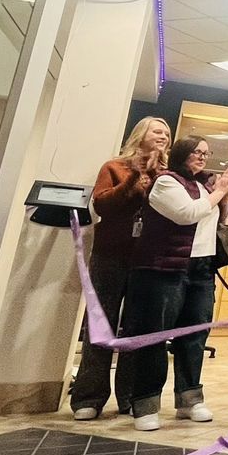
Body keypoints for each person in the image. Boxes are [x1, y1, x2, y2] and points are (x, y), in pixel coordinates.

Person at [122, 135, 228, 431]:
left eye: (206, 153)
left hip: (202, 269)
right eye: (196, 151)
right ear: (182, 153)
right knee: (156, 335)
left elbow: (216, 220)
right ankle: (146, 404)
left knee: (195, 335)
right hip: (165, 268)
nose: (202, 157)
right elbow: (187, 214)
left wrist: (222, 196)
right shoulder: (166, 182)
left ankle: (189, 400)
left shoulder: (203, 186)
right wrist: (220, 190)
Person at [72, 116, 172, 421]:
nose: (164, 136)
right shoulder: (114, 167)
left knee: (137, 328)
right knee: (100, 324)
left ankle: (128, 396)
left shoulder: (167, 175)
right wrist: (133, 179)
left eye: (167, 133)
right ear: (141, 134)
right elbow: (102, 205)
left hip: (147, 259)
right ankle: (89, 397)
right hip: (110, 256)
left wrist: (156, 177)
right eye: (158, 131)